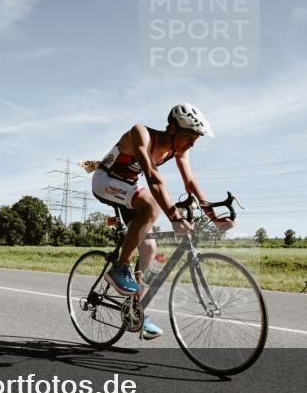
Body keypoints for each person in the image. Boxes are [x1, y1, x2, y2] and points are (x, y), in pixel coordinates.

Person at [91, 103, 233, 340]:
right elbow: (153, 178)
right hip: (105, 180)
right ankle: (119, 268)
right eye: (190, 137)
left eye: (196, 139)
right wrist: (174, 217)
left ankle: (136, 312)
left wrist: (214, 217)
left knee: (149, 248)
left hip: (127, 188)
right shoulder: (141, 133)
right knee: (151, 204)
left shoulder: (179, 150)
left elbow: (190, 182)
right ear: (172, 129)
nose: (192, 144)